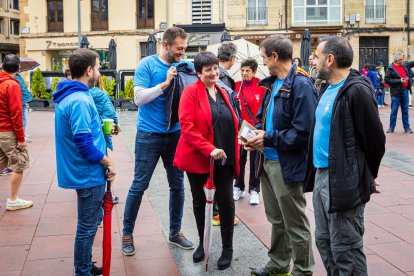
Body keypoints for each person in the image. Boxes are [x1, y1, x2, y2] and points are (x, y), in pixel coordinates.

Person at [304, 36, 386, 275]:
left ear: (329, 60)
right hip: (321, 176)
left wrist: (365, 174)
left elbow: (375, 140)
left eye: (316, 56)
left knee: (345, 247)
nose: (313, 61)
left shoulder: (357, 90)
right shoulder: (325, 88)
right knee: (324, 240)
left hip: (343, 179)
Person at [246, 35, 316, 276]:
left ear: (275, 56)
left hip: (287, 163)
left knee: (294, 221)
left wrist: (267, 137)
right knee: (277, 219)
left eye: (264, 57)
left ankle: (304, 270)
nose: (263, 62)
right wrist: (254, 135)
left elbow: (303, 133)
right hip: (267, 159)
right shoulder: (273, 81)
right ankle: (278, 265)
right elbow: (264, 117)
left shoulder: (301, 84)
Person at [122, 27, 194, 256]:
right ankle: (127, 233)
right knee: (139, 185)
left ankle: (175, 232)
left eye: (185, 48)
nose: (182, 52)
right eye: (179, 48)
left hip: (175, 134)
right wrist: (164, 84)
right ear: (165, 45)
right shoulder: (147, 65)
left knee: (177, 185)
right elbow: (138, 98)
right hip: (149, 135)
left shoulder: (185, 66)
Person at [52, 48, 116, 275]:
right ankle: (83, 270)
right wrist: (108, 162)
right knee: (87, 226)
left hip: (83, 171)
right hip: (87, 172)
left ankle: (85, 265)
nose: (98, 71)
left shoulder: (71, 95)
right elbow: (84, 144)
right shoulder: (79, 100)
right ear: (89, 70)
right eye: (97, 67)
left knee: (90, 220)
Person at [174, 51, 240, 270]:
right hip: (200, 158)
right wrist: (209, 149)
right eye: (208, 69)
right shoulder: (190, 92)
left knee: (226, 202)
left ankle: (228, 248)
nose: (214, 73)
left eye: (215, 68)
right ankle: (204, 244)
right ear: (198, 73)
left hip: (225, 157)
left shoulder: (224, 91)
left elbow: (234, 119)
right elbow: (187, 127)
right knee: (200, 202)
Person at [0, 54, 32, 210]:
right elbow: (16, 113)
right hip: (8, 131)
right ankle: (13, 200)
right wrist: (21, 138)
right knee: (19, 164)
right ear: (18, 68)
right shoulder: (12, 85)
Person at [233, 58, 265, 205]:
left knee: (255, 161)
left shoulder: (261, 86)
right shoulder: (236, 86)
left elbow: (263, 108)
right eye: (242, 70)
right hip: (240, 129)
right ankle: (238, 187)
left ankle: (254, 190)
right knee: (239, 159)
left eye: (247, 71)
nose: (244, 73)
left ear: (254, 72)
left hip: (254, 129)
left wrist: (260, 127)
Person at [214, 41, 240, 226]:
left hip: (214, 133)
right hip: (222, 135)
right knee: (223, 176)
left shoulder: (214, 73)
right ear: (231, 58)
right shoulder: (223, 77)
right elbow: (226, 108)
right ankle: (219, 212)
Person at [385, 54, 414, 134]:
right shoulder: (390, 68)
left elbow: (412, 63)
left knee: (405, 110)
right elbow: (387, 80)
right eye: (401, 59)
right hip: (395, 92)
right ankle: (391, 128)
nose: (403, 60)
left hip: (405, 91)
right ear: (397, 60)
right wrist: (399, 80)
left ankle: (407, 128)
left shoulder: (405, 65)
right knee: (394, 111)